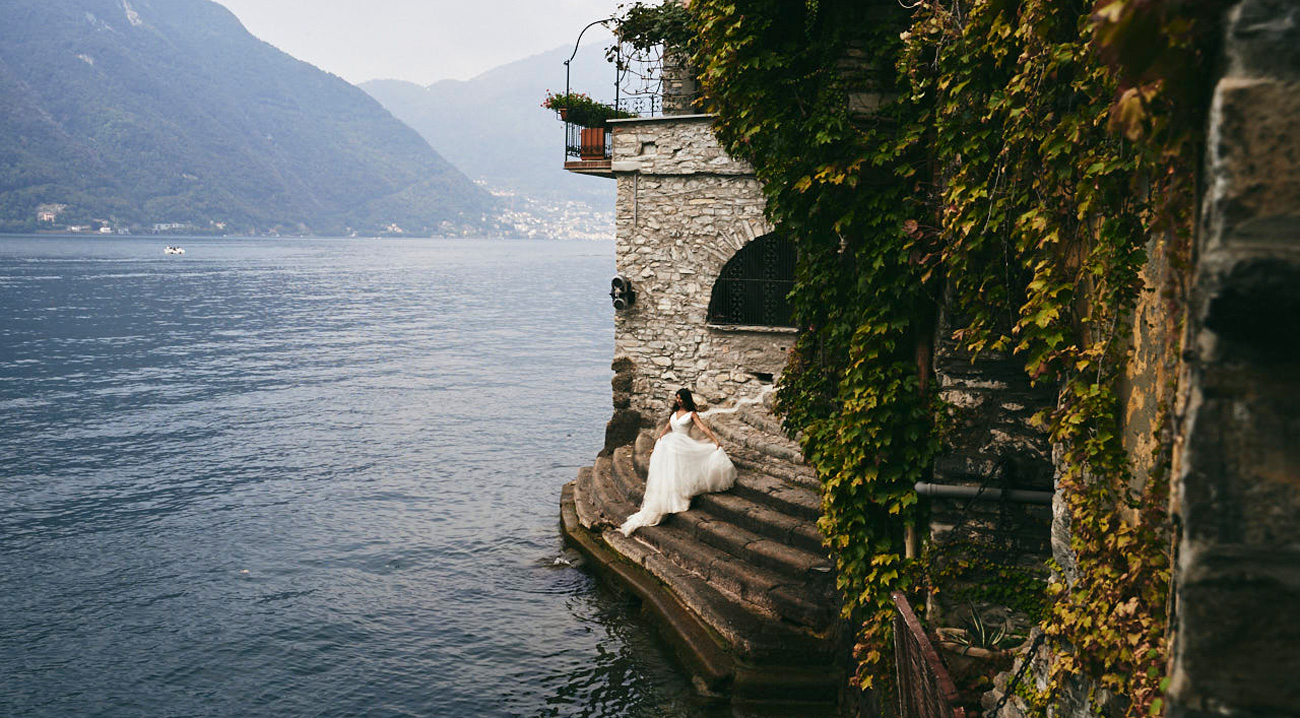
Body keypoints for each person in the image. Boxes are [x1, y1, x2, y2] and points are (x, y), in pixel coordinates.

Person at [619, 388, 736, 537]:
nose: (678, 400)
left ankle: (678, 496)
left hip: (683, 445)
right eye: (677, 398)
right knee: (670, 473)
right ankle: (669, 497)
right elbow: (668, 427)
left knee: (681, 471)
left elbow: (703, 428)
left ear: (686, 399)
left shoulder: (692, 414)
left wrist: (715, 441)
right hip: (669, 445)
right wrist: (660, 439)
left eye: (680, 398)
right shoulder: (674, 414)